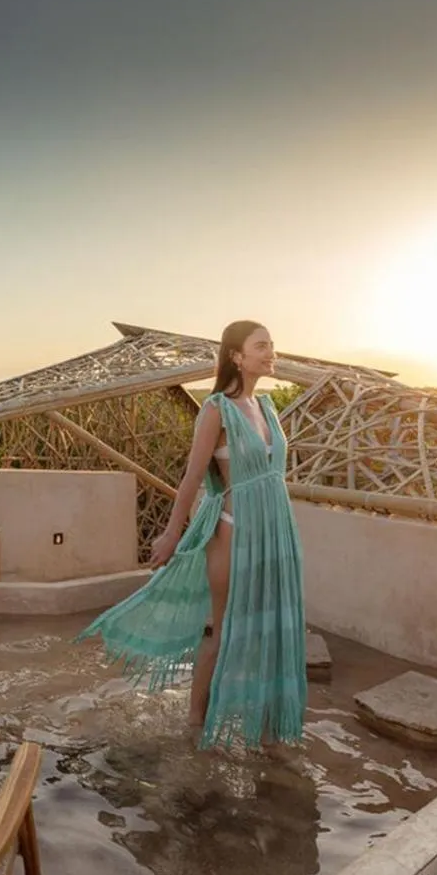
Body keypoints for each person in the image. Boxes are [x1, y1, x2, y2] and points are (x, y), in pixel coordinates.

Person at [76, 320, 307, 750]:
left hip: (276, 536)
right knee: (223, 636)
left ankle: (267, 728)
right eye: (262, 345)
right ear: (237, 356)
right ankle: (196, 726)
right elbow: (191, 478)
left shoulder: (268, 408)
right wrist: (170, 533)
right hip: (235, 534)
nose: (271, 351)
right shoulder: (217, 409)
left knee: (268, 635)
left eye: (272, 344)